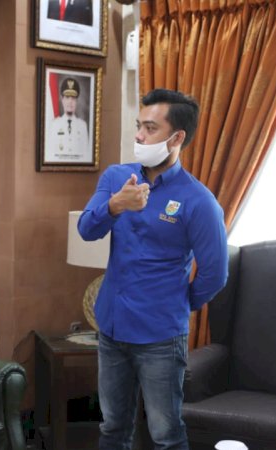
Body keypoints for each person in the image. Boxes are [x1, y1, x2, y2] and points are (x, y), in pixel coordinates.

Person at [79, 88, 228, 449]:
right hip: (112, 326)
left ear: (177, 138)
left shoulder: (198, 200)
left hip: (160, 335)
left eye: (149, 128)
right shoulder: (117, 178)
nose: (138, 136)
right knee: (112, 427)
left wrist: (178, 301)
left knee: (166, 433)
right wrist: (115, 206)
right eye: (138, 126)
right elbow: (87, 229)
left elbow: (215, 273)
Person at [46, 77, 90, 157]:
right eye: (67, 97)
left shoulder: (82, 126)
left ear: (76, 101)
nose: (70, 101)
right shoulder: (54, 125)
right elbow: (50, 154)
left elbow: (86, 155)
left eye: (73, 98)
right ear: (62, 100)